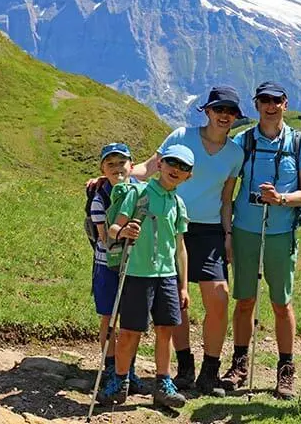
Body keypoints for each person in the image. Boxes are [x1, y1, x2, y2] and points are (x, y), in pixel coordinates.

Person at [130, 85, 244, 396]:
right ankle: (184, 368)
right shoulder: (181, 136)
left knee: (218, 298)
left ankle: (209, 372)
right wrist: (116, 175)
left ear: (236, 117)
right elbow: (149, 168)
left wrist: (229, 235)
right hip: (169, 225)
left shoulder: (235, 153)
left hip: (209, 230)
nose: (224, 116)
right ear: (206, 111)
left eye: (230, 112)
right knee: (175, 299)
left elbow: (226, 198)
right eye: (219, 109)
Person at [220, 81, 301, 400]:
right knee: (244, 300)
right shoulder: (242, 140)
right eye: (264, 100)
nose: (270, 106)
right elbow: (227, 190)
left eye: (276, 100)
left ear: (285, 104)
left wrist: (282, 200)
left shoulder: (299, 142)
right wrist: (228, 234)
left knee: (281, 303)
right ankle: (240, 363)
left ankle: (286, 369)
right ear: (257, 104)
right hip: (246, 229)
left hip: (281, 232)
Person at [98, 144, 194, 408]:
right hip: (137, 273)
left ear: (189, 175)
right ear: (160, 164)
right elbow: (115, 227)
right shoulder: (138, 192)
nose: (176, 170)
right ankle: (119, 380)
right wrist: (124, 231)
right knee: (130, 332)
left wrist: (183, 287)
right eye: (172, 163)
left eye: (183, 167)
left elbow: (180, 247)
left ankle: (162, 382)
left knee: (165, 331)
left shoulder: (178, 203)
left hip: (167, 276)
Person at [86, 142, 145, 394]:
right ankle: (111, 366)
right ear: (102, 169)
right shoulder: (100, 198)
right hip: (107, 264)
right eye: (110, 164)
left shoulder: (141, 192)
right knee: (109, 317)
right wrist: (124, 233)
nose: (117, 168)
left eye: (121, 162)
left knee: (131, 321)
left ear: (131, 166)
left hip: (135, 265)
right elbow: (103, 237)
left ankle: (126, 368)